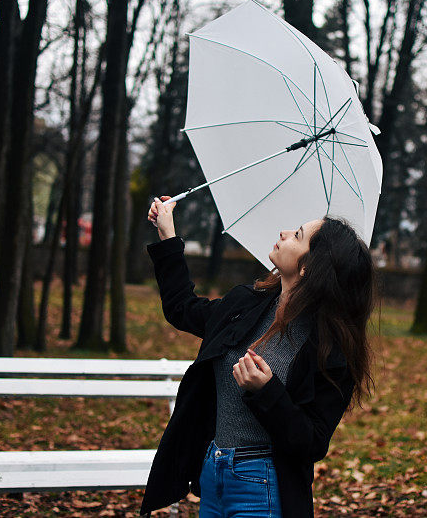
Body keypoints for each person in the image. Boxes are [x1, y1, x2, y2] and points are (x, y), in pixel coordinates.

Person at [139, 196, 376, 518]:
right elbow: (182, 308)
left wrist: (268, 392)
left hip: (263, 484)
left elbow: (313, 443)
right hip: (212, 471)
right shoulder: (245, 304)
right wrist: (167, 235)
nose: (283, 233)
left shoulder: (330, 350)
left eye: (298, 236)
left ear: (308, 267)